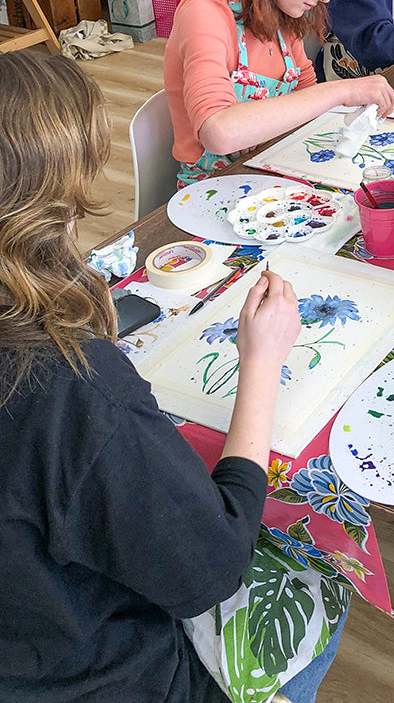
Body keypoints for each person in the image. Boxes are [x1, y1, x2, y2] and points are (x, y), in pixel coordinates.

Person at [0, 51, 344, 701]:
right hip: (107, 681)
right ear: (50, 211)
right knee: (320, 581)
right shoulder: (72, 389)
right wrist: (261, 362)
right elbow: (215, 566)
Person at [165, 0, 394, 184]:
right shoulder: (205, 12)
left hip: (267, 171)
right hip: (213, 187)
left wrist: (258, 125)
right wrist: (342, 91)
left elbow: (306, 100)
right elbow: (218, 132)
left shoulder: (280, 13)